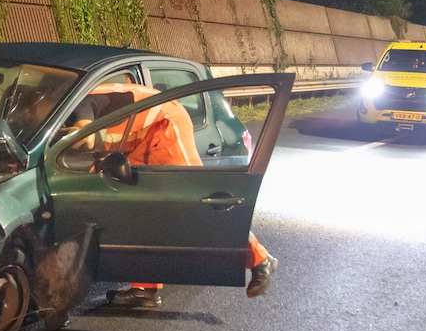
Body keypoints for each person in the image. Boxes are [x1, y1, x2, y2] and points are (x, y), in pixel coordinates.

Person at [66, 83, 277, 307]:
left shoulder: (78, 100)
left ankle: (261, 259)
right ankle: (144, 291)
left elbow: (85, 138)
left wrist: (57, 140)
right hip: (139, 139)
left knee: (197, 203)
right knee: (137, 207)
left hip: (166, 123)